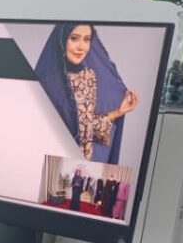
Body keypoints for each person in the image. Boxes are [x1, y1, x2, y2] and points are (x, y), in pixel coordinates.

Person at [35, 23, 139, 164]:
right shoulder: (47, 82)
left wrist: (118, 112)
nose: (81, 47)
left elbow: (85, 128)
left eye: (87, 39)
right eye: (74, 38)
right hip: (49, 162)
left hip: (82, 164)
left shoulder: (88, 76)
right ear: (62, 39)